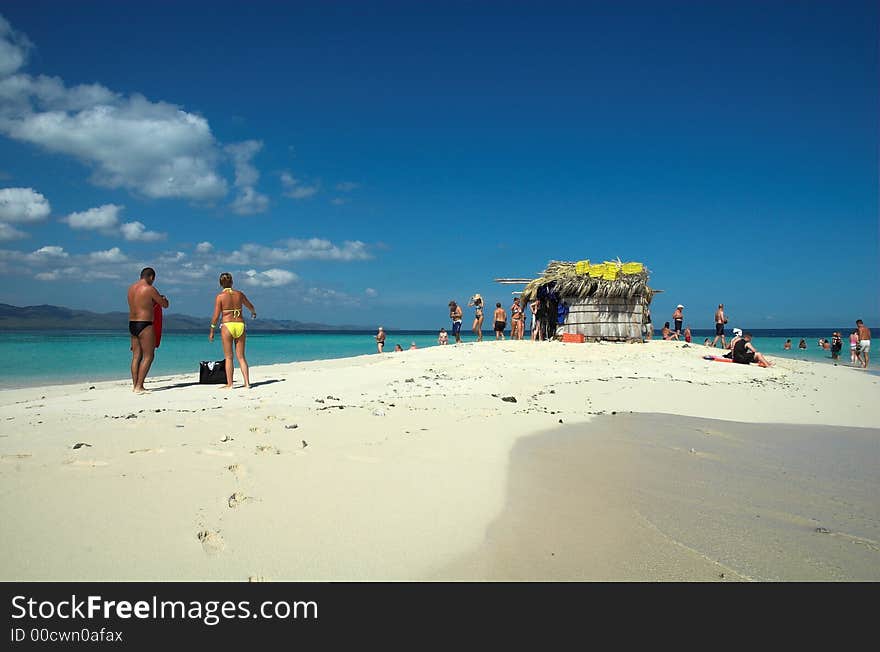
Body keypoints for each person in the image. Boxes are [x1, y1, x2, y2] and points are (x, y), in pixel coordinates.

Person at [209, 272, 256, 389]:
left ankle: (230, 384)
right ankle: (247, 383)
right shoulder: (239, 294)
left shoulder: (220, 297)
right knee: (241, 357)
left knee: (229, 357)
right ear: (232, 282)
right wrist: (253, 312)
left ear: (220, 284)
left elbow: (216, 316)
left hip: (227, 325)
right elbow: (250, 306)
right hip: (240, 325)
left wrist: (212, 330)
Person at [127, 267, 170, 393]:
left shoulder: (131, 289)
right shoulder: (150, 289)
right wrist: (164, 299)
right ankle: (140, 386)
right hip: (145, 324)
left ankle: (135, 385)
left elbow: (141, 304)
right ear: (151, 277)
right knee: (148, 356)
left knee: (136, 356)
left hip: (132, 324)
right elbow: (164, 305)